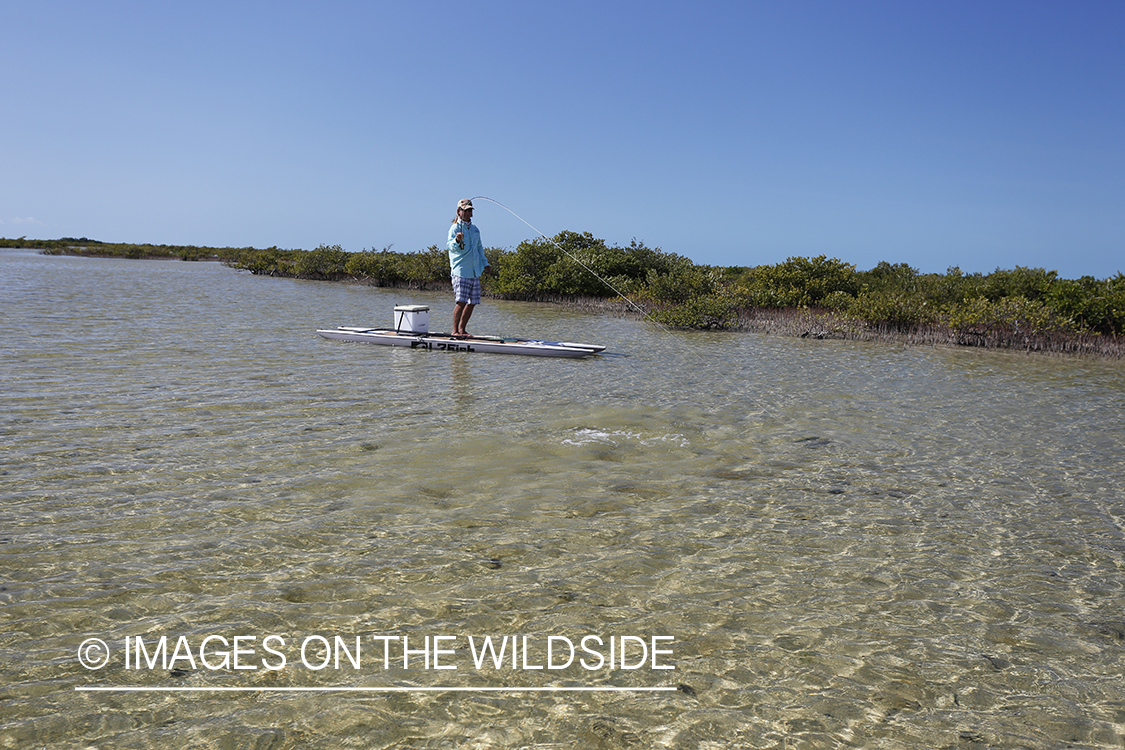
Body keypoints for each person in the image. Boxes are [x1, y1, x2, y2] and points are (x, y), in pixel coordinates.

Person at [446, 198, 492, 337]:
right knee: (461, 301)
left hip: (474, 271)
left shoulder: (475, 229)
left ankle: (462, 330)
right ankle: (454, 331)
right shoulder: (454, 228)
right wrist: (456, 240)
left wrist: (485, 264)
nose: (468, 213)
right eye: (465, 210)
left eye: (470, 210)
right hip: (460, 271)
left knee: (472, 302)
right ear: (459, 212)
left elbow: (479, 248)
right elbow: (450, 246)